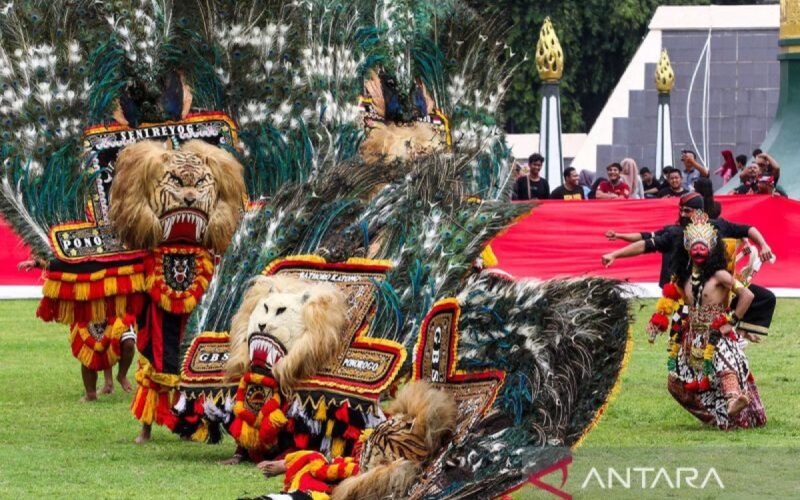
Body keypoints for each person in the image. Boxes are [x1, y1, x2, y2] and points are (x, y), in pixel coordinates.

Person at [602, 193, 776, 338]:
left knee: (764, 298)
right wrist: (615, 254)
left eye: (687, 211)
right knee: (679, 356)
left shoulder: (718, 227)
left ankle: (741, 332)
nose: (683, 214)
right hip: (687, 298)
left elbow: (747, 229)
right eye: (681, 211)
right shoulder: (674, 233)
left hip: (718, 292)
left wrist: (764, 245)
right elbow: (646, 244)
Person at [664, 212, 766, 429]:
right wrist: (663, 324)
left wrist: (733, 321)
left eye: (703, 247)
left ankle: (732, 402)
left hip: (718, 333)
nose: (699, 251)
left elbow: (747, 295)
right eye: (694, 246)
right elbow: (676, 302)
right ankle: (713, 418)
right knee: (674, 384)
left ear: (711, 250)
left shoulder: (720, 275)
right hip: (691, 338)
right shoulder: (683, 277)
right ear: (686, 249)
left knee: (723, 364)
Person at [17, 258, 136, 401]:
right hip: (87, 305)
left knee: (128, 343)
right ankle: (91, 393)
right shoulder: (79, 253)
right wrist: (37, 263)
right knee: (88, 350)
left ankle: (121, 376)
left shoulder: (114, 245)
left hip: (115, 303)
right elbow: (61, 264)